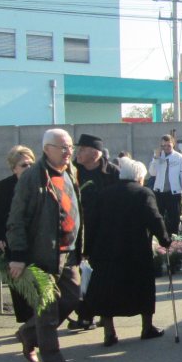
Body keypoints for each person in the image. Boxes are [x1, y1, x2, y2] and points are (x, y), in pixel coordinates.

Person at [6, 128, 84, 362]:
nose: (68, 152)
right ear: (46, 149)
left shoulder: (70, 171)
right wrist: (17, 255)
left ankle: (29, 333)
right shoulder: (33, 178)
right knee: (47, 308)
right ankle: (52, 359)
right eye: (62, 148)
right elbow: (16, 218)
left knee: (72, 297)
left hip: (68, 250)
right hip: (43, 253)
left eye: (70, 147)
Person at [82, 158, 169, 347]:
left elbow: (92, 223)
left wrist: (87, 249)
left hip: (106, 251)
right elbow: (154, 218)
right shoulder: (143, 193)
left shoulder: (104, 194)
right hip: (135, 250)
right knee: (143, 288)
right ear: (139, 177)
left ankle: (109, 333)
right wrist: (164, 239)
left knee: (107, 290)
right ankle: (147, 327)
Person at [69, 133, 120, 331]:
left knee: (102, 276)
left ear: (95, 153)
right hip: (77, 231)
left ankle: (103, 316)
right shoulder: (72, 171)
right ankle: (85, 315)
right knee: (79, 276)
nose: (77, 153)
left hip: (104, 233)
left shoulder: (112, 172)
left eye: (81, 149)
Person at [0, 145, 38, 326]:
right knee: (19, 283)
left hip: (36, 241)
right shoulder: (3, 188)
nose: (29, 168)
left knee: (38, 282)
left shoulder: (40, 184)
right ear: (14, 167)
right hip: (12, 242)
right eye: (24, 165)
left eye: (32, 164)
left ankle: (38, 321)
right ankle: (26, 323)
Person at [148, 133, 182, 237]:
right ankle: (158, 240)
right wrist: (155, 159)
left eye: (168, 145)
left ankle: (174, 241)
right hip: (159, 192)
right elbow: (152, 173)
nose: (166, 148)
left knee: (174, 219)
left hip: (173, 193)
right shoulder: (157, 156)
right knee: (158, 218)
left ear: (173, 145)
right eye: (163, 146)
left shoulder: (179, 158)